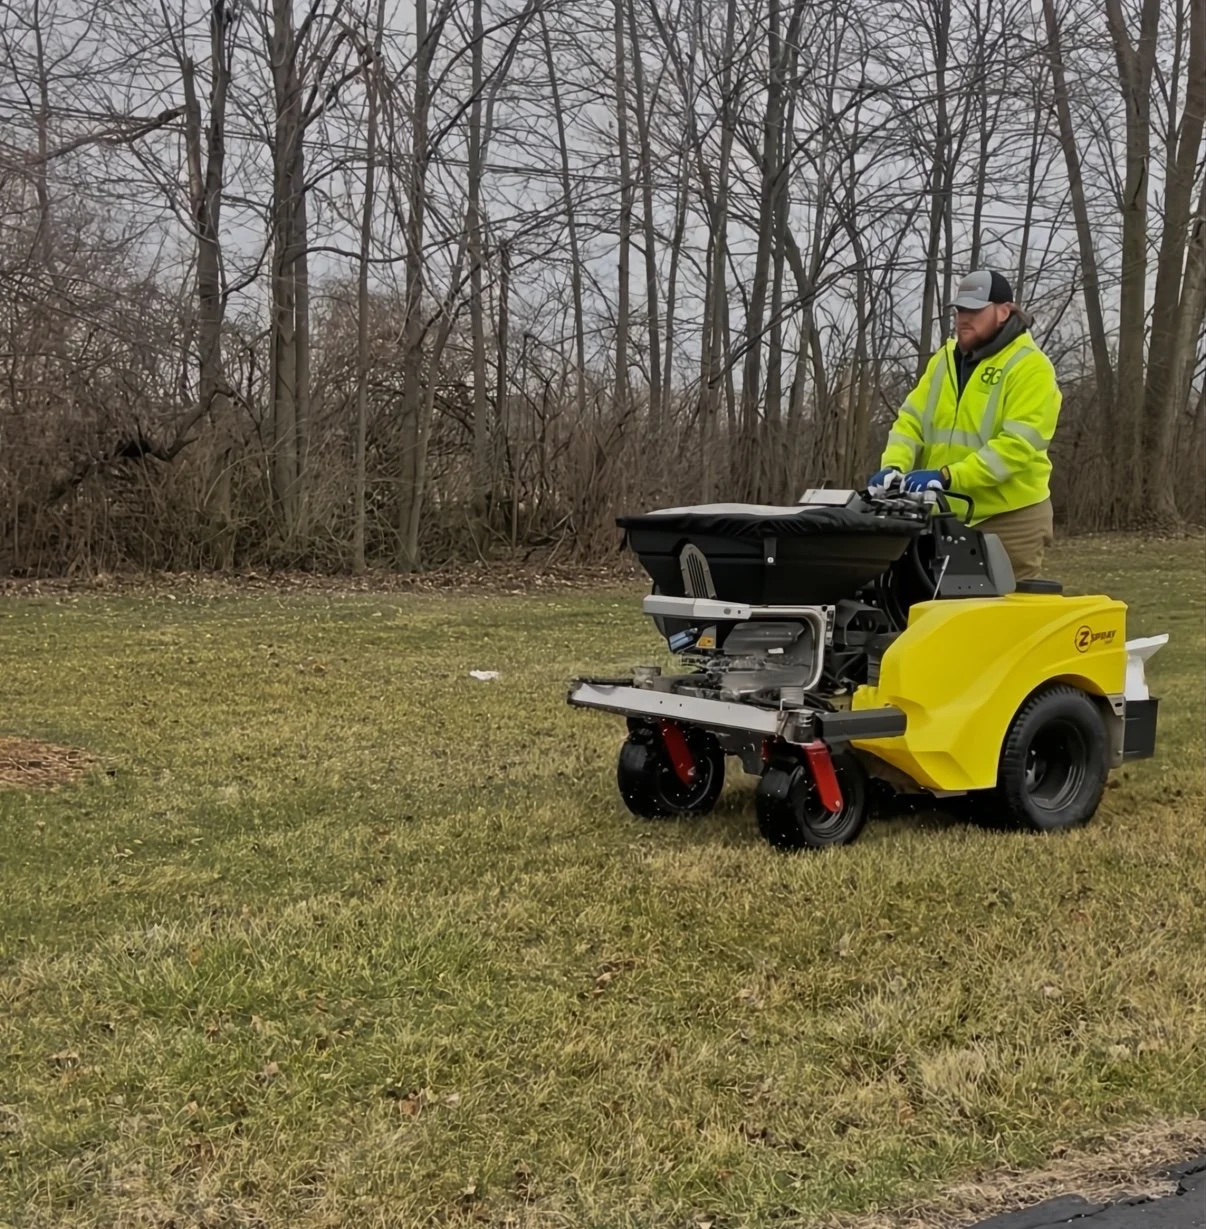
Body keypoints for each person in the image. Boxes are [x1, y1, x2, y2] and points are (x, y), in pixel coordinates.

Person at [867, 269, 1061, 581]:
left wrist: (947, 476)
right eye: (959, 310)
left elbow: (1016, 447)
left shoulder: (1030, 366)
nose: (963, 318)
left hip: (1009, 518)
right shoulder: (944, 360)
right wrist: (893, 466)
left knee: (1006, 618)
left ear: (1004, 311)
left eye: (974, 310)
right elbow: (911, 422)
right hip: (945, 515)